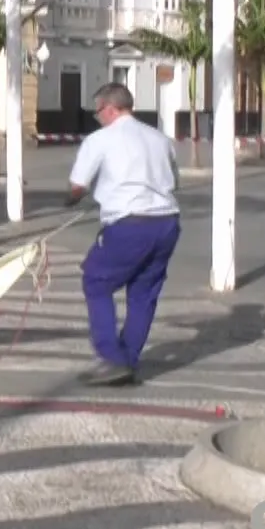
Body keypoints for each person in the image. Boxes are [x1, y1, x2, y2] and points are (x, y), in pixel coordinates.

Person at [63, 82, 182, 386]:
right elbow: (174, 182)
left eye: (98, 112)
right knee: (144, 292)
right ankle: (127, 359)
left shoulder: (99, 140)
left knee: (96, 280)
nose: (97, 117)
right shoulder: (160, 139)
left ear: (110, 108)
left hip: (129, 224)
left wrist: (72, 199)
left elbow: (78, 186)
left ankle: (112, 357)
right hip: (166, 222)